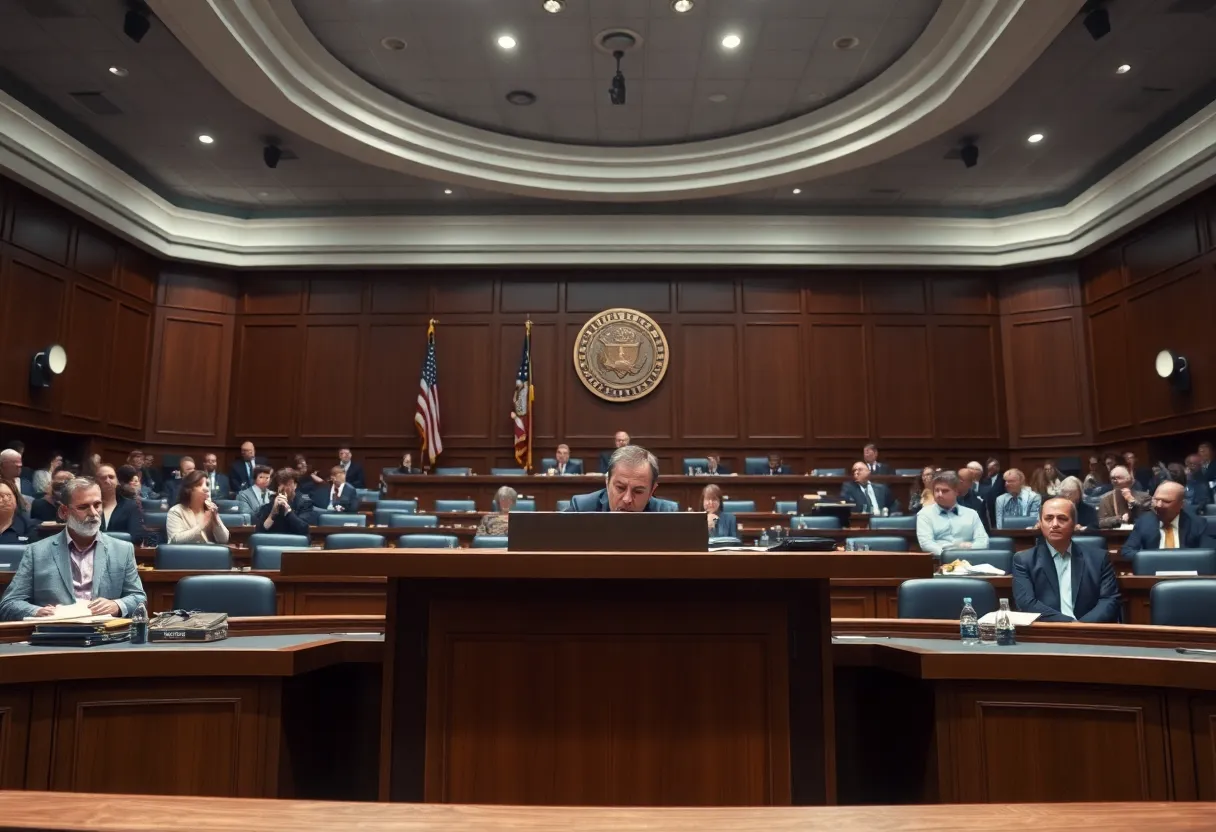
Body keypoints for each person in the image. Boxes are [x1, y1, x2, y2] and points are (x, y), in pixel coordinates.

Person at [0, 476, 147, 622]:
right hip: (55, 637)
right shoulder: (36, 552)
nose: (93, 513)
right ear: (64, 512)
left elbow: (138, 597)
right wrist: (36, 611)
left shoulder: (123, 550)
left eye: (97, 505)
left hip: (105, 637)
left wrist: (117, 605)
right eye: (83, 507)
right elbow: (9, 603)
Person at [1012, 497, 1120, 623]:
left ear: (1074, 524)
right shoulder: (1024, 560)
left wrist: (1083, 627)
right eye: (1048, 518)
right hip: (1046, 632)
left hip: (1090, 631)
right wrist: (1071, 624)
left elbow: (1109, 600)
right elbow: (1027, 604)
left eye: (1062, 518)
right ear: (1040, 523)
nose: (1055, 524)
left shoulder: (1099, 558)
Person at [567, 445, 676, 513]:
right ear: (607, 482)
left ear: (652, 491)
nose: (627, 499)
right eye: (620, 488)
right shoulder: (581, 508)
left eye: (637, 491)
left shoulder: (668, 513)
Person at [1122, 481, 1212, 558]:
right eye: (1156, 500)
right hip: (1153, 573)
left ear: (1182, 504)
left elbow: (1208, 555)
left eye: (1166, 501)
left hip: (1186, 572)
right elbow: (1127, 552)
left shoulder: (1198, 524)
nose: (1159, 505)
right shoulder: (1144, 522)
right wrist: (1155, 559)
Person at [915, 471, 989, 559]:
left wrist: (969, 549)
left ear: (956, 492)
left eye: (944, 491)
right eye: (937, 490)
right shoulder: (924, 514)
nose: (939, 494)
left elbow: (983, 541)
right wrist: (950, 555)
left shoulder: (972, 514)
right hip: (940, 562)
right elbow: (926, 544)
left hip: (970, 560)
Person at [166, 470, 230, 544]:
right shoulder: (176, 511)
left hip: (209, 553)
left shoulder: (209, 510)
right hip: (186, 554)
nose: (206, 489)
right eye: (199, 485)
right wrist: (202, 524)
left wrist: (216, 519)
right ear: (188, 490)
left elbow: (224, 539)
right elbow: (175, 540)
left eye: (207, 484)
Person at [252, 468, 316, 534]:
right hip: (273, 542)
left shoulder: (305, 503)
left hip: (294, 542)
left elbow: (303, 529)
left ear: (295, 485)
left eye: (287, 484)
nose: (283, 488)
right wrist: (272, 513)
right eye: (280, 484)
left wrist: (288, 510)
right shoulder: (270, 503)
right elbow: (259, 532)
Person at [96, 464, 144, 540]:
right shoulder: (89, 507)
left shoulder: (131, 506)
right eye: (103, 478)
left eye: (111, 477)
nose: (108, 481)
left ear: (117, 481)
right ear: (96, 482)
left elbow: (136, 537)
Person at [955, 467, 991, 533]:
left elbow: (985, 527)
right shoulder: (949, 498)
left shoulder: (979, 501)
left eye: (963, 480)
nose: (959, 482)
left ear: (970, 483)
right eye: (958, 479)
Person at [0, 481, 35, 545]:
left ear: (16, 500)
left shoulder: (31, 528)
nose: (5, 499)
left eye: (9, 496)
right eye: (0, 496)